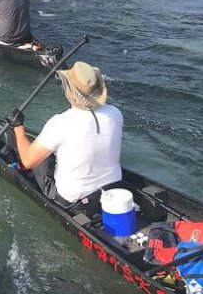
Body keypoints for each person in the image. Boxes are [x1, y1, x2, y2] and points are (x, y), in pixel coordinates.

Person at [8, 60, 124, 204]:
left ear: (72, 93)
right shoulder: (115, 113)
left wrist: (18, 126)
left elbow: (27, 161)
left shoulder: (61, 123)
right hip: (113, 188)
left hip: (72, 199)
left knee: (37, 159)